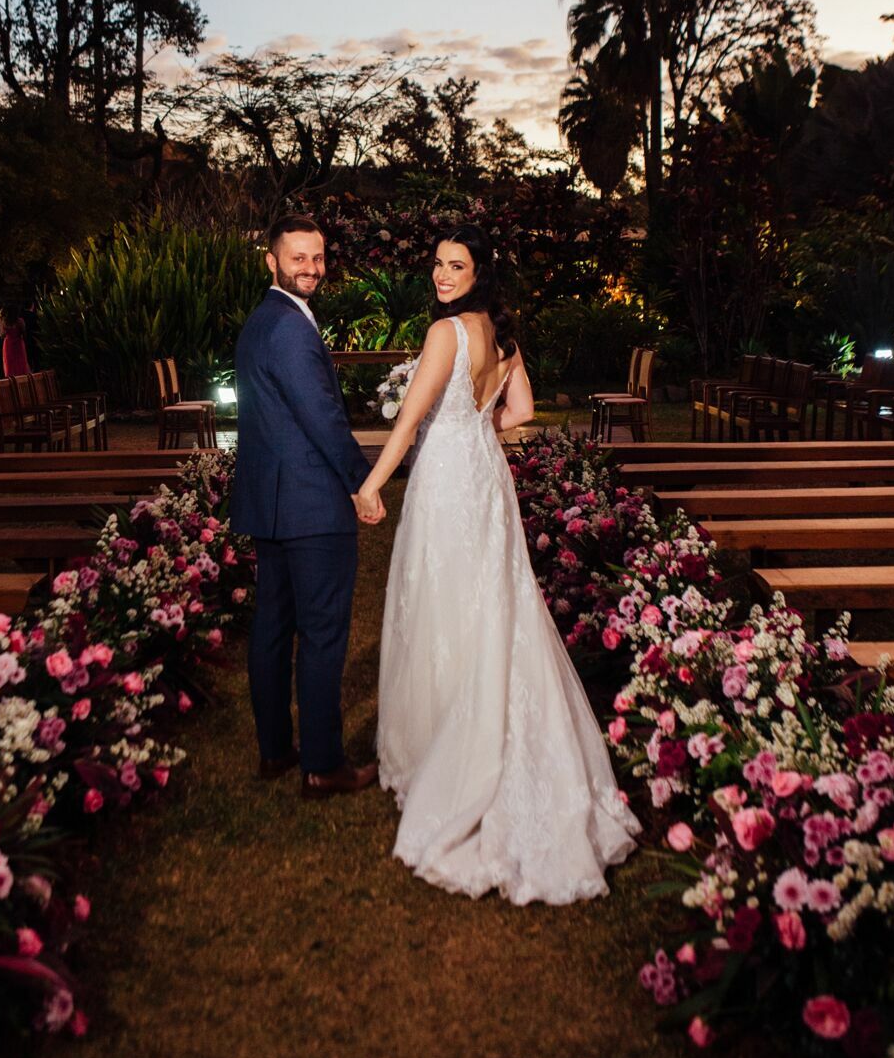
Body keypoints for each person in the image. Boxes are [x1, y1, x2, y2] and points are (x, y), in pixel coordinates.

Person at [357, 224, 641, 906]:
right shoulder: (504, 340)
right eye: (436, 263)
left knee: (444, 604)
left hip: (450, 480)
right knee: (495, 602)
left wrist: (373, 484)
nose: (441, 275)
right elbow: (523, 409)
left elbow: (408, 422)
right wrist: (478, 423)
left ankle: (448, 747)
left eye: (455, 265)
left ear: (479, 273)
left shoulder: (443, 334)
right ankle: (484, 724)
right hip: (487, 478)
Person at [230, 215, 384, 800]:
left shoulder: (261, 322)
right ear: (272, 261)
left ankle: (275, 750)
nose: (310, 268)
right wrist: (360, 482)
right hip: (311, 507)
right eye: (298, 258)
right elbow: (323, 416)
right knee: (321, 635)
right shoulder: (290, 327)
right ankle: (322, 764)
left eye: (317, 258)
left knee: (272, 628)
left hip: (272, 507)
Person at [0, 306, 30, 377]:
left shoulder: (5, 322)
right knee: (20, 362)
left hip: (8, 344)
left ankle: (11, 381)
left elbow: (2, 335)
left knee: (10, 363)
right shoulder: (20, 321)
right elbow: (24, 333)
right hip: (19, 343)